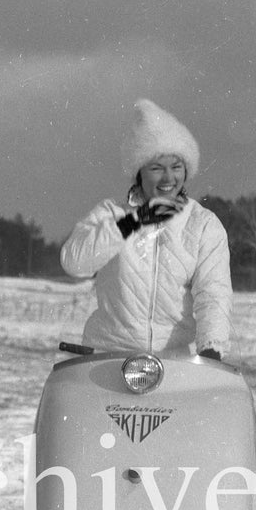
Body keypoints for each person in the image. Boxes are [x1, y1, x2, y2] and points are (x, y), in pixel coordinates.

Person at [60, 97, 231, 359]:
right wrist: (134, 221)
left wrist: (211, 348)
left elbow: (213, 293)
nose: (168, 178)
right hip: (107, 356)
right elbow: (74, 263)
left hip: (174, 363)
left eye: (176, 167)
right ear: (139, 172)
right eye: (156, 168)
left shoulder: (204, 225)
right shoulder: (111, 214)